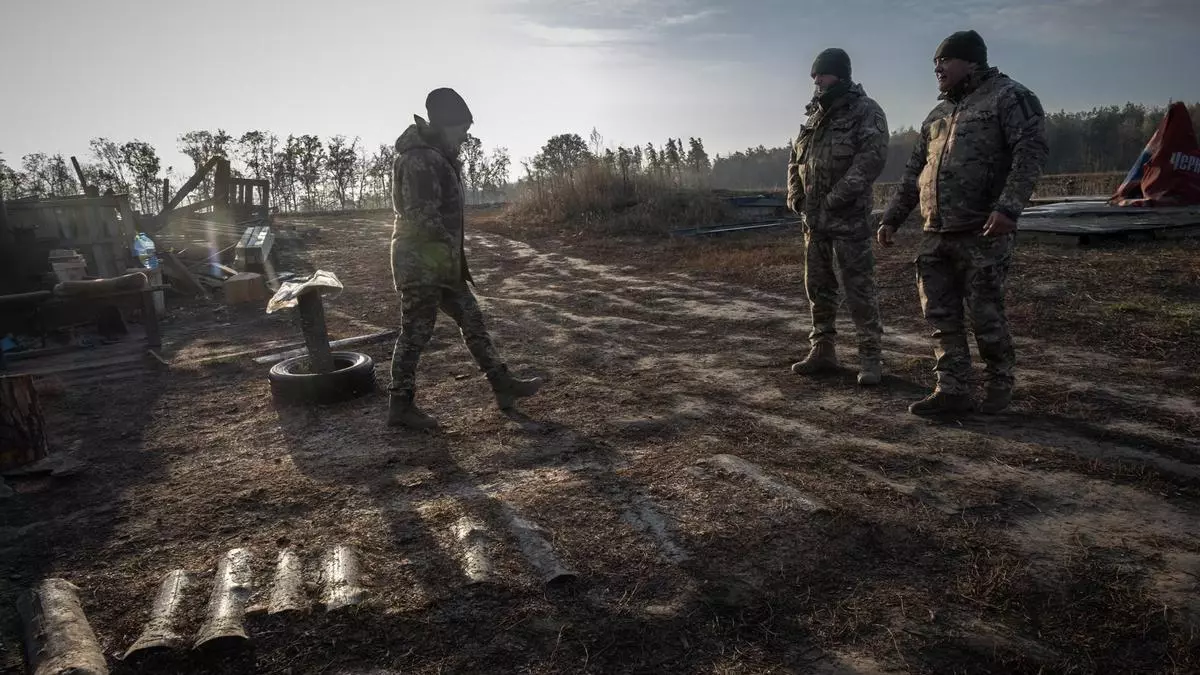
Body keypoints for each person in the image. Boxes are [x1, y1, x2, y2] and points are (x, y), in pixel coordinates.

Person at [877, 30, 1048, 416]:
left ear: (971, 60)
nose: (937, 68)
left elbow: (1031, 151)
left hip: (982, 229)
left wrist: (1009, 208)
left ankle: (999, 383)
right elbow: (913, 173)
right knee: (939, 314)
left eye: (944, 60)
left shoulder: (1009, 97)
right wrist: (892, 217)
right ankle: (951, 387)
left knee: (985, 311)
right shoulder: (936, 116)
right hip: (935, 232)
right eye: (934, 62)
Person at [386, 87, 542, 429]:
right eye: (462, 129)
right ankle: (400, 405)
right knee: (415, 333)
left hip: (440, 262)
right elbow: (421, 215)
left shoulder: (435, 155)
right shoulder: (420, 159)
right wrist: (445, 246)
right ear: (444, 124)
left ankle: (503, 385)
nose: (465, 135)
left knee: (472, 319)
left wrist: (450, 257)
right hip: (422, 262)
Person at [786, 48, 889, 385]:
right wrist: (796, 197)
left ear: (841, 75)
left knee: (859, 288)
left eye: (823, 74)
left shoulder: (866, 112)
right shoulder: (814, 115)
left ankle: (870, 358)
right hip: (813, 223)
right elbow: (795, 159)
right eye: (814, 75)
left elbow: (870, 161)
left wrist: (834, 199)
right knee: (817, 286)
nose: (816, 80)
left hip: (848, 220)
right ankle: (823, 350)